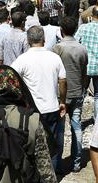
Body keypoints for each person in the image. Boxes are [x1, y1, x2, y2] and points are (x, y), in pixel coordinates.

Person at [11, 26, 66, 173]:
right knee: (51, 146)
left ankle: (34, 177)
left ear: (28, 40)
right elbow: (63, 81)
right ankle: (51, 178)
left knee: (31, 144)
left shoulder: (22, 59)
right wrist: (62, 102)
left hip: (31, 111)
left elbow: (10, 78)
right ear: (44, 39)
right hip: (52, 107)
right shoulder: (54, 57)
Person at [53, 17, 88, 172]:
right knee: (76, 127)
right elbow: (84, 72)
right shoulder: (82, 48)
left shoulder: (57, 48)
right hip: (77, 92)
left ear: (61, 30)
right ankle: (76, 162)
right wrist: (81, 89)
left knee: (60, 130)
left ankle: (58, 162)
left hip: (61, 95)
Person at [77, 6, 98, 119]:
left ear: (91, 14)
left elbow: (76, 44)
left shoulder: (83, 28)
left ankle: (77, 117)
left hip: (85, 67)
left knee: (81, 93)